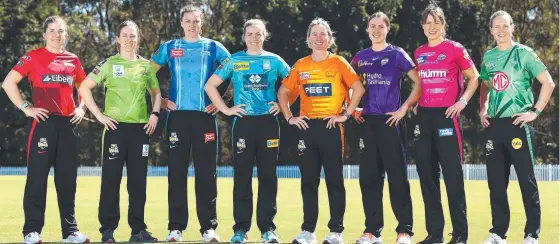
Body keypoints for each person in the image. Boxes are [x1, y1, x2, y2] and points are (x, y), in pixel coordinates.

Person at [1, 16, 90, 244]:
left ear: (65, 34)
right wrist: (26, 108)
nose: (56, 34)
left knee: (67, 180)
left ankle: (70, 232)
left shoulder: (73, 60)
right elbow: (8, 83)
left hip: (68, 125)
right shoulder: (33, 57)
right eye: (52, 30)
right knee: (37, 179)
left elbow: (84, 87)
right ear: (44, 34)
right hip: (42, 124)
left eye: (60, 31)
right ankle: (31, 231)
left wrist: (81, 108)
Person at [277, 18, 365, 244]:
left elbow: (358, 88)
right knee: (308, 181)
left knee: (334, 180)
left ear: (329, 39)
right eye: (314, 34)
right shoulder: (300, 65)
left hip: (331, 127)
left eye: (323, 34)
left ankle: (336, 231)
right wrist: (289, 117)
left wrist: (345, 115)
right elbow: (283, 93)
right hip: (307, 128)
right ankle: (308, 231)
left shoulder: (338, 63)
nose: (318, 38)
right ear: (308, 39)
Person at [150, 5, 230, 243]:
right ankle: (175, 228)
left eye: (196, 21)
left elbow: (237, 71)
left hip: (205, 117)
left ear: (202, 23)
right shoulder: (170, 47)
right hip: (177, 118)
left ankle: (208, 228)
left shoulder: (214, 47)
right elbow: (147, 73)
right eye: (188, 21)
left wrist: (222, 101)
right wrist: (161, 100)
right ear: (181, 23)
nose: (192, 25)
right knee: (176, 174)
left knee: (206, 173)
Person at [204, 19, 289, 244]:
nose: (254, 37)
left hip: (269, 124)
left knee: (268, 177)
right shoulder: (234, 60)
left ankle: (267, 229)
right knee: (242, 178)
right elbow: (210, 86)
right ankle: (240, 230)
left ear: (264, 35)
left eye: (258, 33)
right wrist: (226, 109)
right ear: (244, 37)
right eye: (249, 34)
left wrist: (282, 105)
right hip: (243, 124)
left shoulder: (274, 60)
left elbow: (294, 84)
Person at [78, 20, 161, 243]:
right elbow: (84, 87)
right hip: (115, 128)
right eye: (124, 35)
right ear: (117, 39)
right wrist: (98, 115)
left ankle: (138, 231)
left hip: (140, 130)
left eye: (133, 35)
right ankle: (107, 231)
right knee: (111, 181)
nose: (129, 39)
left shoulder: (146, 66)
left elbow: (156, 93)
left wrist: (155, 114)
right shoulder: (108, 63)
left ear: (138, 39)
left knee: (137, 183)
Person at [480, 10, 555, 244]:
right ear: (491, 30)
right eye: (496, 27)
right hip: (494, 125)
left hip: (518, 124)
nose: (501, 31)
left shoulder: (524, 53)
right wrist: (483, 109)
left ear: (512, 27)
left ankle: (531, 234)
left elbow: (548, 83)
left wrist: (535, 112)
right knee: (496, 183)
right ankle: (498, 233)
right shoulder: (488, 57)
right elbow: (484, 84)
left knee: (526, 180)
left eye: (505, 26)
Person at [351, 12, 420, 244]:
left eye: (381, 26)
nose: (377, 30)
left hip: (391, 122)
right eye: (373, 26)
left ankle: (404, 231)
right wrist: (351, 108)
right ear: (367, 29)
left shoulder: (397, 54)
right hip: (367, 123)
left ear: (387, 29)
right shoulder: (360, 57)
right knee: (369, 178)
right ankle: (372, 231)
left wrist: (403, 110)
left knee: (397, 177)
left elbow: (418, 83)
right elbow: (346, 84)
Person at [413, 4, 479, 244]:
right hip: (424, 117)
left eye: (436, 22)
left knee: (452, 177)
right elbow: (418, 84)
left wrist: (462, 102)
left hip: (447, 116)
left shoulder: (455, 49)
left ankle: (460, 235)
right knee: (428, 178)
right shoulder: (418, 52)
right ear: (423, 27)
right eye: (428, 23)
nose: (432, 27)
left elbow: (474, 77)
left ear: (443, 25)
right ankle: (435, 234)